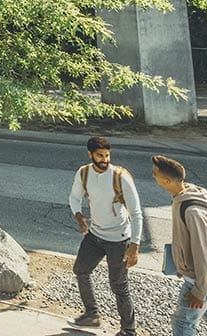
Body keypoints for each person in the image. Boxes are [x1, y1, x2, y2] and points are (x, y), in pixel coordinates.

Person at [152, 155, 207, 336]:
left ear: (166, 181)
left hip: (203, 280)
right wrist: (182, 264)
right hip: (206, 278)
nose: (153, 176)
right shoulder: (184, 196)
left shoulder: (192, 211)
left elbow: (205, 253)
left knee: (182, 325)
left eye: (155, 173)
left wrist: (199, 291)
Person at [68, 135, 143, 336]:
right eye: (100, 155)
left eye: (107, 155)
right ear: (90, 154)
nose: (105, 159)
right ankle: (92, 315)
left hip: (119, 240)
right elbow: (75, 197)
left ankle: (129, 330)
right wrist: (78, 214)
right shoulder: (83, 173)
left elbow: (136, 213)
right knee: (81, 270)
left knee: (119, 286)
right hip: (95, 235)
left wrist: (134, 246)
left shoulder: (120, 177)